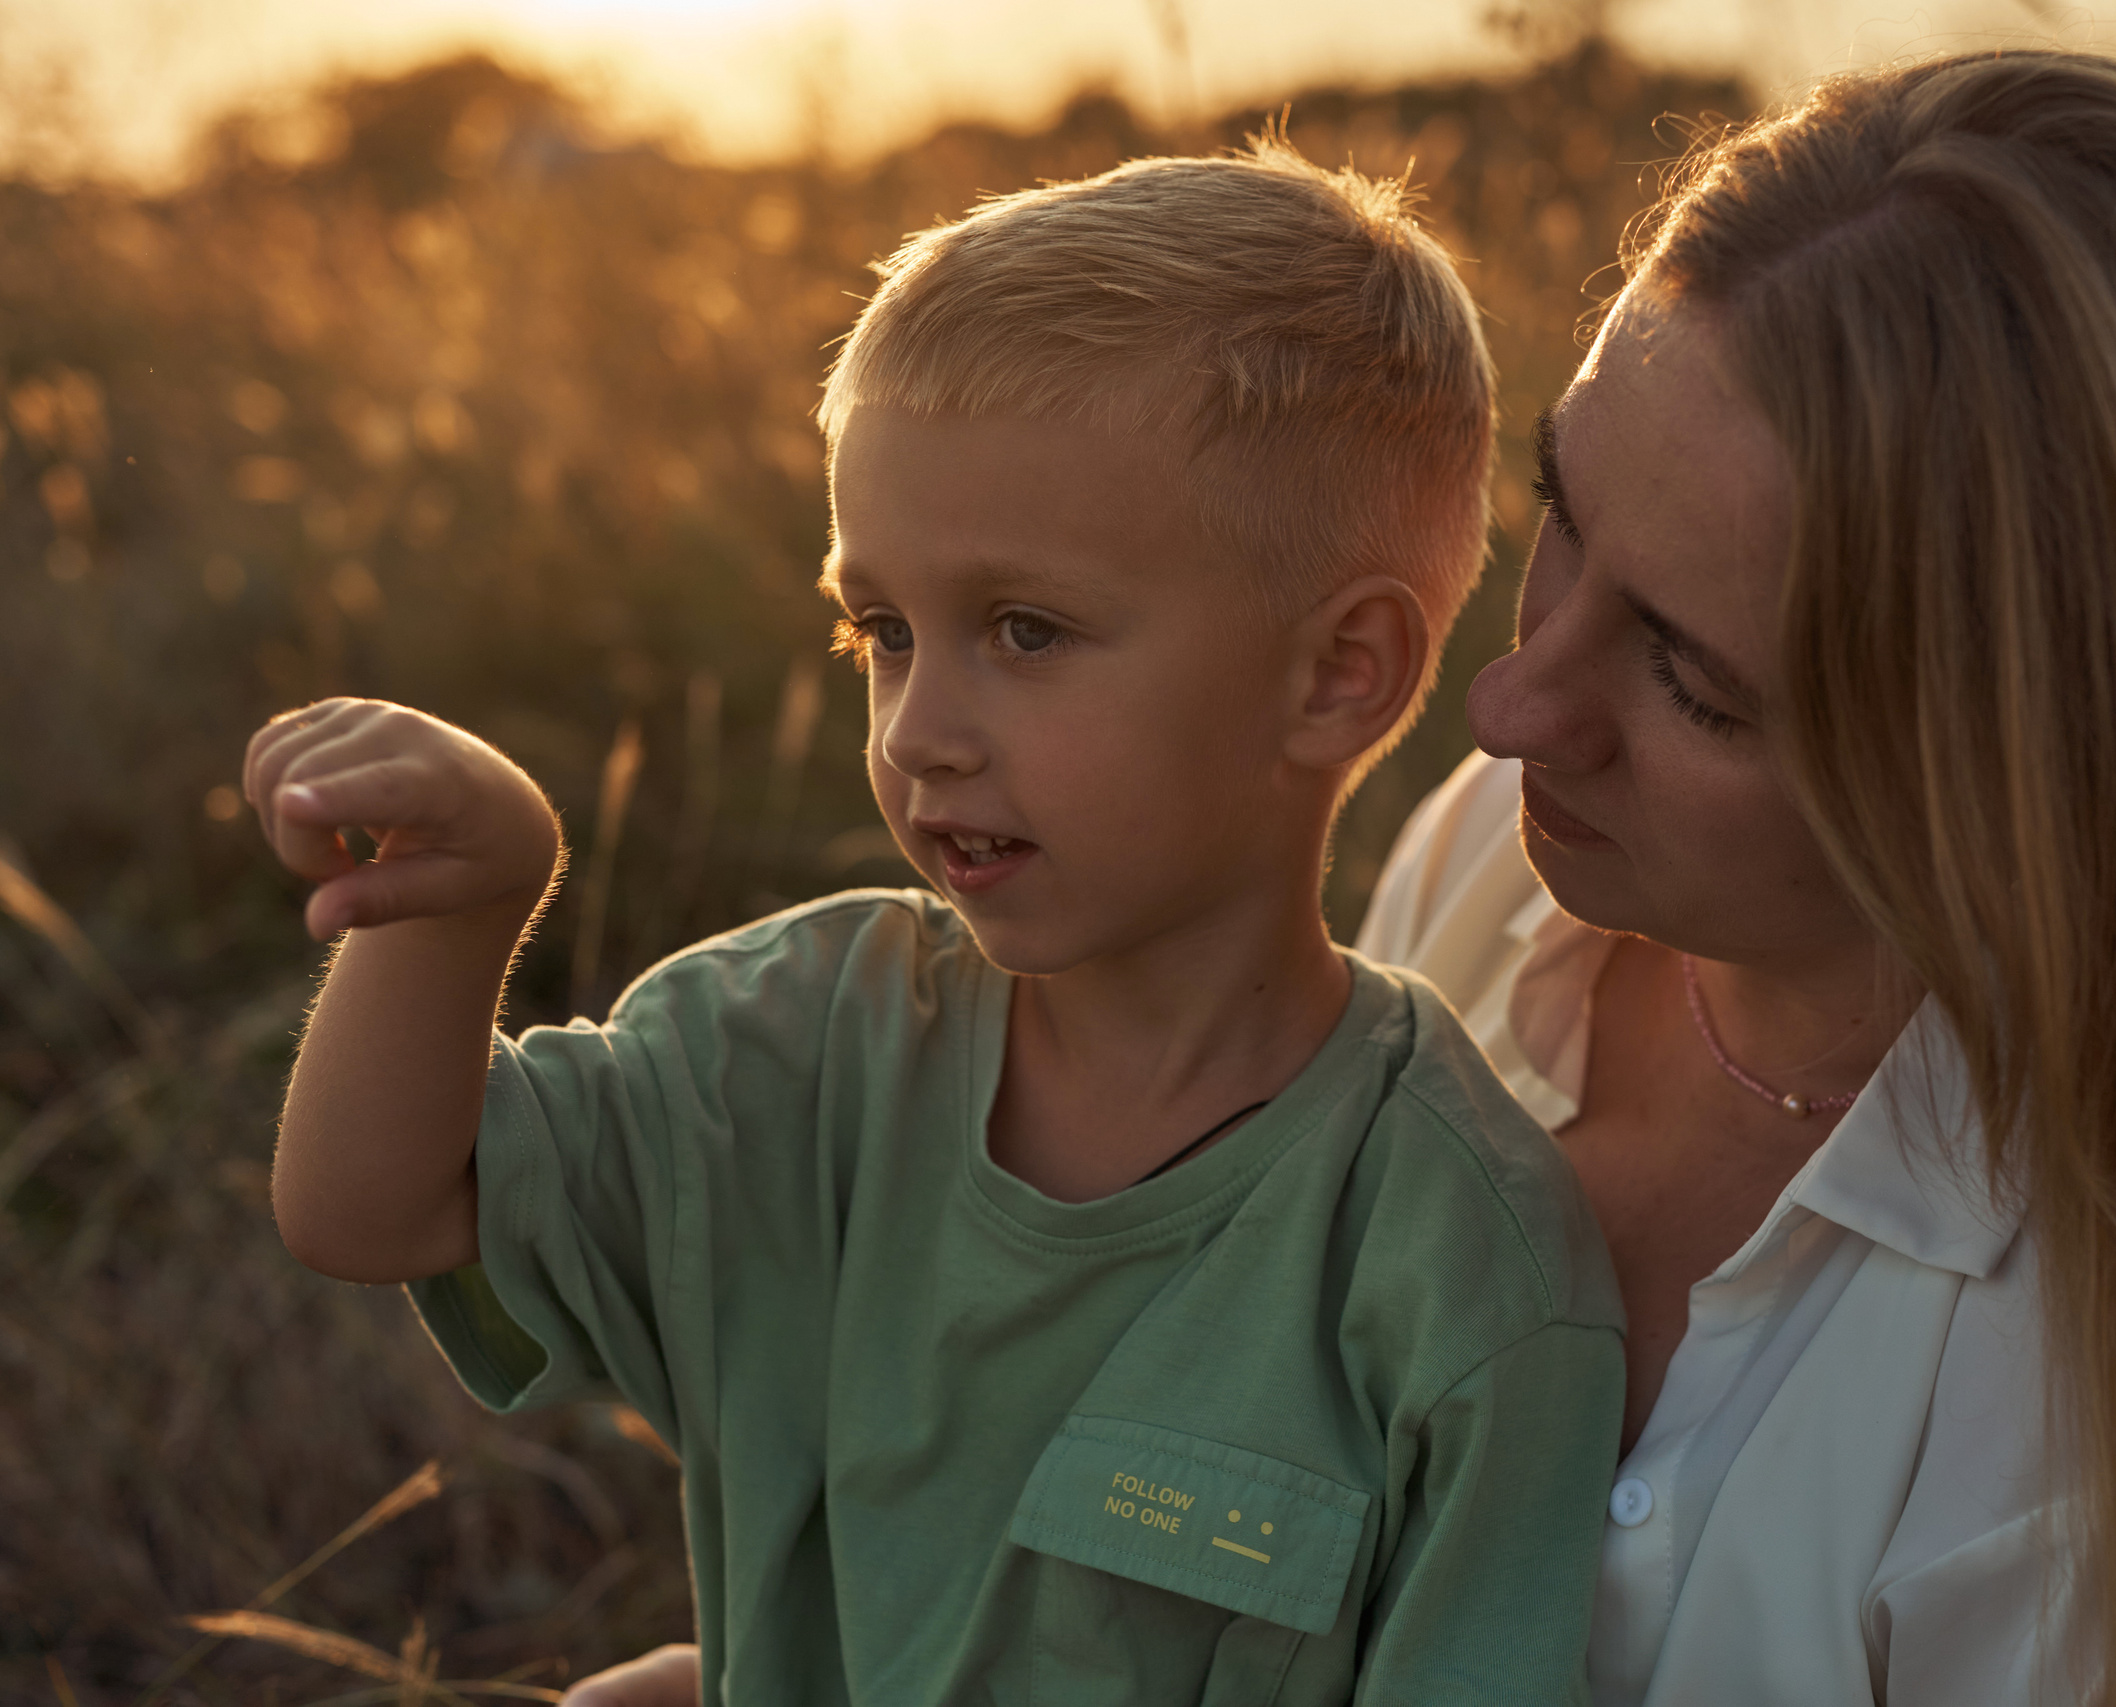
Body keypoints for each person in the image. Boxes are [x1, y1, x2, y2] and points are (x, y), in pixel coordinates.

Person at [569, 48, 2116, 1707]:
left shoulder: (2097, 1470)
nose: (1510, 699)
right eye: (1558, 518)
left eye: (1686, 672)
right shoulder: (1493, 887)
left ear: (2029, 774)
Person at [242, 141, 1629, 1706]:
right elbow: (367, 1209)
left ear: (1340, 674)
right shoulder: (798, 1042)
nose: (918, 733)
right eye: (882, 634)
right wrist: (450, 917)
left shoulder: (1460, 1271)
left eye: (1026, 632)